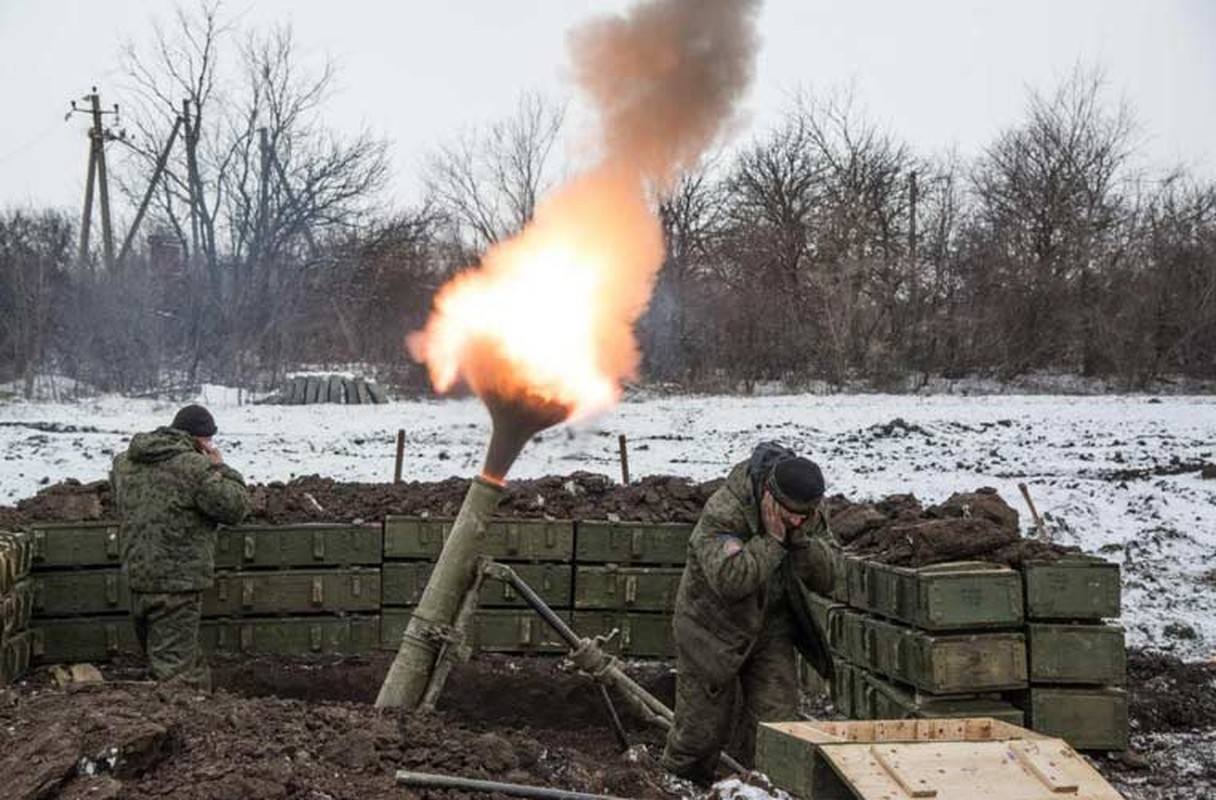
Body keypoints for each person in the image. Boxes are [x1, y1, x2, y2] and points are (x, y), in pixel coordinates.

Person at [661, 441, 838, 785]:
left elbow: (831, 576)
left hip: (770, 627)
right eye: (791, 515)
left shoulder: (805, 511)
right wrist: (772, 541)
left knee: (777, 726)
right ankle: (677, 786)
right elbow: (731, 580)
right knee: (699, 735)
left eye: (805, 516)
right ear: (769, 496)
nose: (798, 521)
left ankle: (763, 787)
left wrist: (799, 541)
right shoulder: (725, 510)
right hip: (710, 629)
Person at [111, 404, 251, 687]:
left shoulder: (124, 463)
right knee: (175, 675)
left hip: (137, 579)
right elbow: (235, 507)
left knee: (167, 659)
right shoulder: (194, 467)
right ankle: (179, 724)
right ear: (200, 439)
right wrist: (220, 466)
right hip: (176, 586)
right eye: (208, 441)